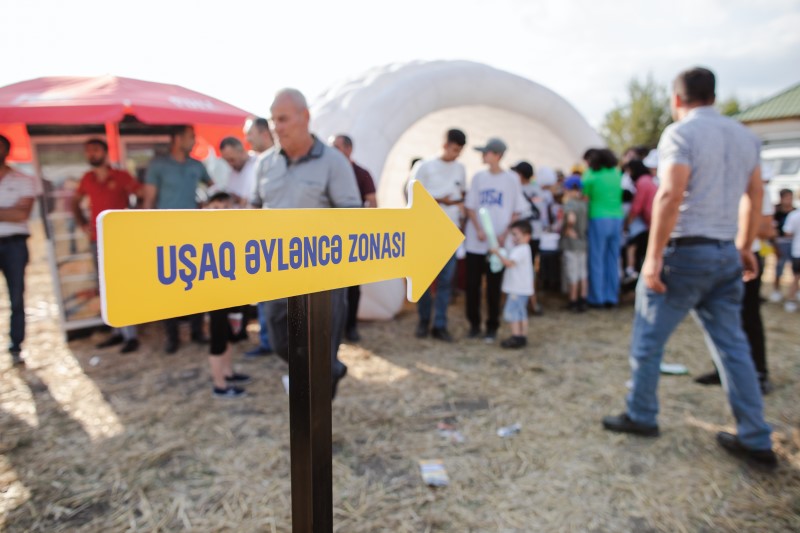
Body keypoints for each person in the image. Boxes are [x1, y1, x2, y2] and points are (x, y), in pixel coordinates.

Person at [602, 67, 776, 470]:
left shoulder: (680, 133)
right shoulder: (745, 136)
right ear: (713, 95)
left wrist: (653, 256)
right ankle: (755, 435)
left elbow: (671, 193)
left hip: (685, 253)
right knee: (734, 347)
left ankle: (641, 414)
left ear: (677, 99)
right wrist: (744, 245)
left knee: (648, 341)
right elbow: (755, 194)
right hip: (725, 252)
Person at [252, 88, 361, 399]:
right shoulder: (265, 164)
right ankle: (325, 373)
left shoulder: (334, 162)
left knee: (322, 346)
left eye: (283, 119)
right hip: (276, 273)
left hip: (323, 277)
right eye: (273, 120)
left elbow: (352, 218)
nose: (276, 127)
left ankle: (318, 403)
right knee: (281, 341)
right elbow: (254, 210)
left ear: (305, 117)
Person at [694, 171, 777, 394]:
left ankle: (759, 373)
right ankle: (722, 369)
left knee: (748, 316)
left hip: (744, 259)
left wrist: (741, 225)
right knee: (718, 317)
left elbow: (767, 229)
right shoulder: (715, 182)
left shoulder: (757, 188)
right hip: (717, 255)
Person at [143, 125, 214, 354]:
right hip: (165, 233)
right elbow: (149, 200)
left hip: (194, 232)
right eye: (191, 137)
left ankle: (197, 331)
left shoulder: (196, 165)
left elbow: (213, 188)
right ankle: (172, 336)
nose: (194, 141)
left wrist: (206, 205)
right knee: (168, 285)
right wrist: (147, 232)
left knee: (198, 280)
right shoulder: (158, 165)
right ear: (176, 138)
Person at [72, 138, 142, 353]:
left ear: (104, 152)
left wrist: (133, 221)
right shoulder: (87, 178)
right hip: (96, 239)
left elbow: (141, 194)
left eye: (95, 150)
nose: (91, 154)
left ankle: (131, 335)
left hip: (120, 239)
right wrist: (82, 223)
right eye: (88, 151)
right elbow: (74, 201)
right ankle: (117, 331)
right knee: (105, 286)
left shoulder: (121, 176)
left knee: (124, 285)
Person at [464, 138, 525, 343]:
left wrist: (504, 234)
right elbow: (470, 207)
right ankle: (474, 324)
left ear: (497, 155)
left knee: (493, 287)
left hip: (498, 245)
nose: (483, 156)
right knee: (472, 285)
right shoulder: (478, 177)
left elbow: (517, 210)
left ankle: (492, 326)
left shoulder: (511, 179)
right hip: (476, 243)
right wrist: (479, 229)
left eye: (486, 152)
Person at [410, 128, 467, 342]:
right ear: (445, 145)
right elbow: (412, 196)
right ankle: (424, 320)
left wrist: (457, 207)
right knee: (424, 280)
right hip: (426, 231)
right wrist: (441, 200)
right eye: (454, 149)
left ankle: (440, 324)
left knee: (446, 282)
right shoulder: (424, 166)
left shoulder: (460, 169)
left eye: (459, 151)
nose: (456, 154)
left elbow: (462, 194)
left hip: (450, 231)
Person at [204, 192, 251, 398]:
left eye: (226, 207)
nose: (221, 211)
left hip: (232, 292)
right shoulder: (202, 231)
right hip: (214, 295)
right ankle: (220, 385)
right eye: (216, 207)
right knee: (218, 339)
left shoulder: (235, 229)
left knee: (230, 334)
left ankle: (227, 372)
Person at [0, 134, 42, 367]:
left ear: (7, 150)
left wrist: (14, 213)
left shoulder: (24, 179)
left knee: (16, 297)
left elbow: (21, 214)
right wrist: (9, 211)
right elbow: (14, 213)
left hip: (15, 244)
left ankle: (16, 346)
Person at [332, 134, 377, 342]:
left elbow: (372, 203)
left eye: (337, 146)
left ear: (348, 149)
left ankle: (351, 327)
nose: (333, 151)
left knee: (352, 287)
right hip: (329, 241)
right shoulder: (328, 172)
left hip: (352, 240)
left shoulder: (362, 174)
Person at [242, 117, 275, 358]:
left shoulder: (279, 162)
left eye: (250, 134)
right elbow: (254, 203)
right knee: (265, 298)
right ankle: (267, 342)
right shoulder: (256, 163)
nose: (247, 140)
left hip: (288, 246)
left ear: (264, 133)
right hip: (263, 244)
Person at [582, 148, 624, 308]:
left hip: (598, 218)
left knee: (596, 258)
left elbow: (584, 196)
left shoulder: (591, 175)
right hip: (617, 218)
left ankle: (596, 298)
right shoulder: (616, 173)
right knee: (613, 259)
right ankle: (611, 296)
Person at [511, 161, 547, 315]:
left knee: (526, 269)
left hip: (527, 234)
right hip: (533, 234)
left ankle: (530, 301)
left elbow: (535, 211)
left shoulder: (523, 190)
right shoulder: (536, 189)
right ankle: (530, 301)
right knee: (527, 268)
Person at [491, 220, 533, 349]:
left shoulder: (520, 249)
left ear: (527, 236)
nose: (513, 238)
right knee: (521, 313)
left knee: (512, 312)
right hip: (522, 289)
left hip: (517, 289)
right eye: (512, 234)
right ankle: (522, 336)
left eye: (515, 234)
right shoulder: (524, 249)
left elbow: (509, 263)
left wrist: (496, 253)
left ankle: (516, 337)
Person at [623, 159, 658, 281]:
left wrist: (627, 223)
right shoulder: (649, 180)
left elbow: (637, 207)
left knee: (633, 245)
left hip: (649, 221)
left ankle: (632, 271)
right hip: (651, 221)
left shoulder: (642, 182)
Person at [560, 176, 588, 312]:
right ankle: (583, 299)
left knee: (573, 273)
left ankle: (573, 300)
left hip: (571, 244)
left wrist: (568, 229)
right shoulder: (583, 204)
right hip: (583, 242)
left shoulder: (570, 204)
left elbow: (571, 218)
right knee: (582, 273)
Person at [770, 188, 795, 304]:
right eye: (786, 197)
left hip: (793, 243)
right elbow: (772, 228)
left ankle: (794, 291)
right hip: (780, 242)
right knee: (779, 267)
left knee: (795, 269)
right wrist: (774, 244)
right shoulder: (776, 212)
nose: (788, 200)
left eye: (790, 197)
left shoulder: (795, 211)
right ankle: (776, 290)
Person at [219, 137, 257, 207]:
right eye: (226, 160)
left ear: (242, 152)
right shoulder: (232, 173)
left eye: (232, 159)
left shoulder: (258, 163)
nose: (230, 164)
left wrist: (239, 199)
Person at [782, 192, 800, 313]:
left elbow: (787, 233)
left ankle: (791, 300)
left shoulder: (794, 215)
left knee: (795, 277)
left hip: (797, 251)